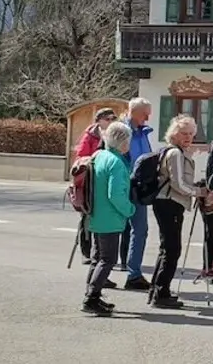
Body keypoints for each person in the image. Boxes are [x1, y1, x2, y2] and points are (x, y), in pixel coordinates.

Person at [149, 114, 204, 309]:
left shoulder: (177, 152)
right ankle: (161, 293)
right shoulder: (175, 154)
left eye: (190, 133)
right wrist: (200, 192)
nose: (188, 137)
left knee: (167, 248)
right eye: (183, 133)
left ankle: (157, 290)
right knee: (172, 249)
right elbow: (178, 184)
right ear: (174, 134)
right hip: (169, 203)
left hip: (169, 203)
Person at [82, 121, 137, 316]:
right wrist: (129, 209)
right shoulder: (116, 163)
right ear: (122, 142)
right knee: (107, 259)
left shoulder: (99, 156)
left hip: (95, 214)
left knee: (97, 258)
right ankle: (91, 298)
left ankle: (92, 295)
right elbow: (116, 195)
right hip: (110, 218)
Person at [74, 108, 117, 266]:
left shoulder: (114, 135)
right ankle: (86, 252)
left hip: (105, 179)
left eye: (113, 118)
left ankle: (98, 252)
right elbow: (80, 157)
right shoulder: (90, 135)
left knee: (101, 218)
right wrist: (95, 159)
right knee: (87, 217)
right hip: (90, 179)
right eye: (107, 119)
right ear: (99, 120)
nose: (111, 121)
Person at [122, 98, 155, 291]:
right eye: (145, 113)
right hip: (123, 185)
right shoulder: (121, 131)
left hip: (138, 188)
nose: (148, 117)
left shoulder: (143, 133)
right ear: (134, 112)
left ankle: (133, 274)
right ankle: (101, 272)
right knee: (112, 231)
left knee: (140, 230)